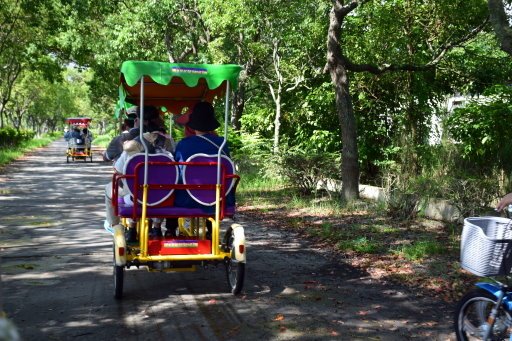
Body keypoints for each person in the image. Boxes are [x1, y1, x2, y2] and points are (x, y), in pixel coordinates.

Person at [105, 122, 175, 242]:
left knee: (112, 189)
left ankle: (120, 226)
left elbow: (118, 169)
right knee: (161, 193)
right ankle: (157, 228)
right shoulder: (167, 155)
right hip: (162, 198)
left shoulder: (130, 152)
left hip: (135, 199)